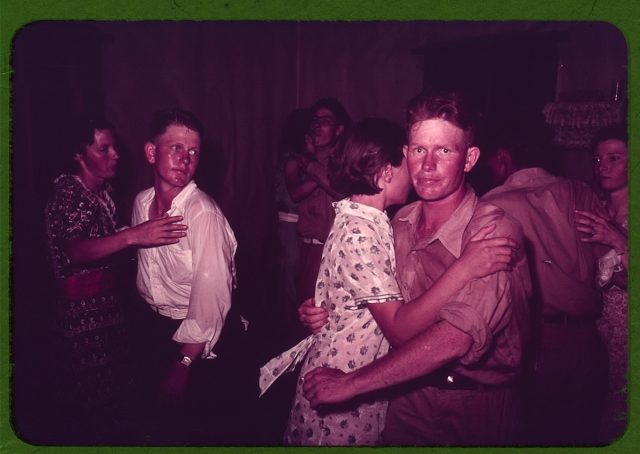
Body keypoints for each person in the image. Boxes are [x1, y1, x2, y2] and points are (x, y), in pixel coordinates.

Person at [262, 117, 518, 445]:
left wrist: (322, 307)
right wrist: (465, 267)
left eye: (442, 151)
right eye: (412, 155)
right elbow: (398, 327)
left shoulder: (380, 222)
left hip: (365, 380)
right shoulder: (364, 231)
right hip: (342, 381)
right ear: (386, 172)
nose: (419, 169)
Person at [44, 116, 188, 442]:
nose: (115, 155)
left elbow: (111, 243)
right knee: (91, 407)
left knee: (116, 400)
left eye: (114, 147)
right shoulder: (69, 193)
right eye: (103, 149)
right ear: (78, 155)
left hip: (108, 313)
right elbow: (75, 251)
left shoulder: (103, 192)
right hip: (81, 320)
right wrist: (133, 236)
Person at [481, 128, 611, 445]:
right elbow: (606, 266)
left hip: (539, 342)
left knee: (537, 435)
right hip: (589, 341)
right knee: (582, 435)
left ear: (503, 157)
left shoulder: (493, 204)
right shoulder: (581, 192)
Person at [131, 108, 238, 442]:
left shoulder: (202, 214)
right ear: (151, 152)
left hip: (195, 340)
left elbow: (210, 302)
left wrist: (184, 364)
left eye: (194, 152)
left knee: (192, 430)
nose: (185, 159)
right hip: (152, 327)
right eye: (176, 147)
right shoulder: (141, 203)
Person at [575, 125, 628, 442]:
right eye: (597, 160)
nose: (602, 167)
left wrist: (617, 239)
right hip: (595, 328)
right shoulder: (594, 206)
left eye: (613, 158)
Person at [285, 98, 351, 305]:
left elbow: (341, 194)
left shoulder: (343, 163)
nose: (317, 125)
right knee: (302, 308)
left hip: (328, 251)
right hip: (306, 248)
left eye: (326, 121)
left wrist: (314, 167)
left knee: (319, 310)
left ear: (338, 130)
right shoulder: (305, 163)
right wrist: (313, 164)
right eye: (315, 120)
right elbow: (295, 194)